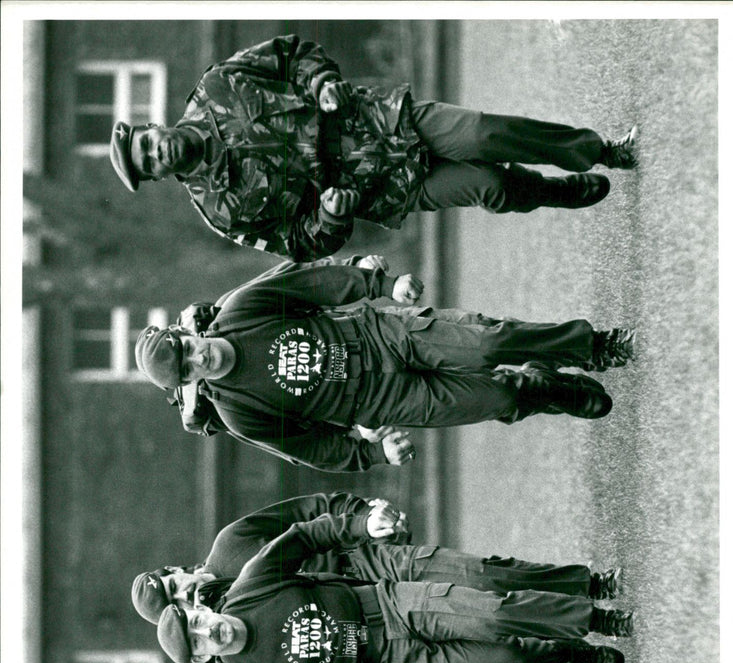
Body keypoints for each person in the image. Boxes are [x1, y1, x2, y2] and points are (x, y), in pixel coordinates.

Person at [109, 34, 639, 261]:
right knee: (492, 186)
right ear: (158, 177)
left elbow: (293, 54)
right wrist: (334, 220)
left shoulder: (218, 85)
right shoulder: (221, 212)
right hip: (383, 186)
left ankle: (599, 149)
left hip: (380, 120)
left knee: (485, 132)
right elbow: (299, 242)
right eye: (150, 163)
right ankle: (553, 191)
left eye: (148, 144)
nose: (157, 153)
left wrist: (320, 82)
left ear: (151, 126)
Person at [154, 503, 634, 663]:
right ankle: (563, 653)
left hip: (385, 606)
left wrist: (360, 524)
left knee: (492, 611)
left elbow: (304, 535)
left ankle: (594, 617)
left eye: (198, 622)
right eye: (198, 642)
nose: (208, 631)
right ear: (202, 658)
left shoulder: (251, 585)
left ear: (203, 608)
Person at [134, 258, 636, 472]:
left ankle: (594, 346)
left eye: (186, 347)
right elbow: (312, 448)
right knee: (497, 398)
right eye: (186, 369)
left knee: (487, 344)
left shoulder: (239, 311)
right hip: (380, 401)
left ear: (187, 333)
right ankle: (545, 390)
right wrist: (375, 455)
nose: (197, 358)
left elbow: (314, 285)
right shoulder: (238, 412)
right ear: (188, 384)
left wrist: (380, 286)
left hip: (379, 335)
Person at [130, 490, 624, 626]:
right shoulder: (226, 629)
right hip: (369, 619)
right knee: (485, 620)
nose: (186, 592)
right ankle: (575, 629)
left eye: (175, 583)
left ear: (177, 570)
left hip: (364, 563)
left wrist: (363, 516)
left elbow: (311, 510)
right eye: (177, 601)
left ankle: (587, 586)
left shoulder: (230, 544)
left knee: (480, 574)